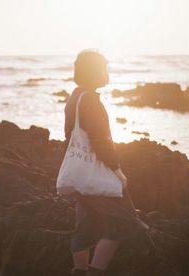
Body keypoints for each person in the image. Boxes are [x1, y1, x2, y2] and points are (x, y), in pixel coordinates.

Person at [64, 49, 151, 276]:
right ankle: (95, 271)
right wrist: (117, 170)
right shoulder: (91, 101)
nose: (106, 72)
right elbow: (101, 141)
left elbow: (69, 136)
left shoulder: (75, 97)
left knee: (87, 222)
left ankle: (80, 270)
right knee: (126, 223)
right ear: (95, 71)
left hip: (80, 173)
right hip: (98, 172)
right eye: (104, 68)